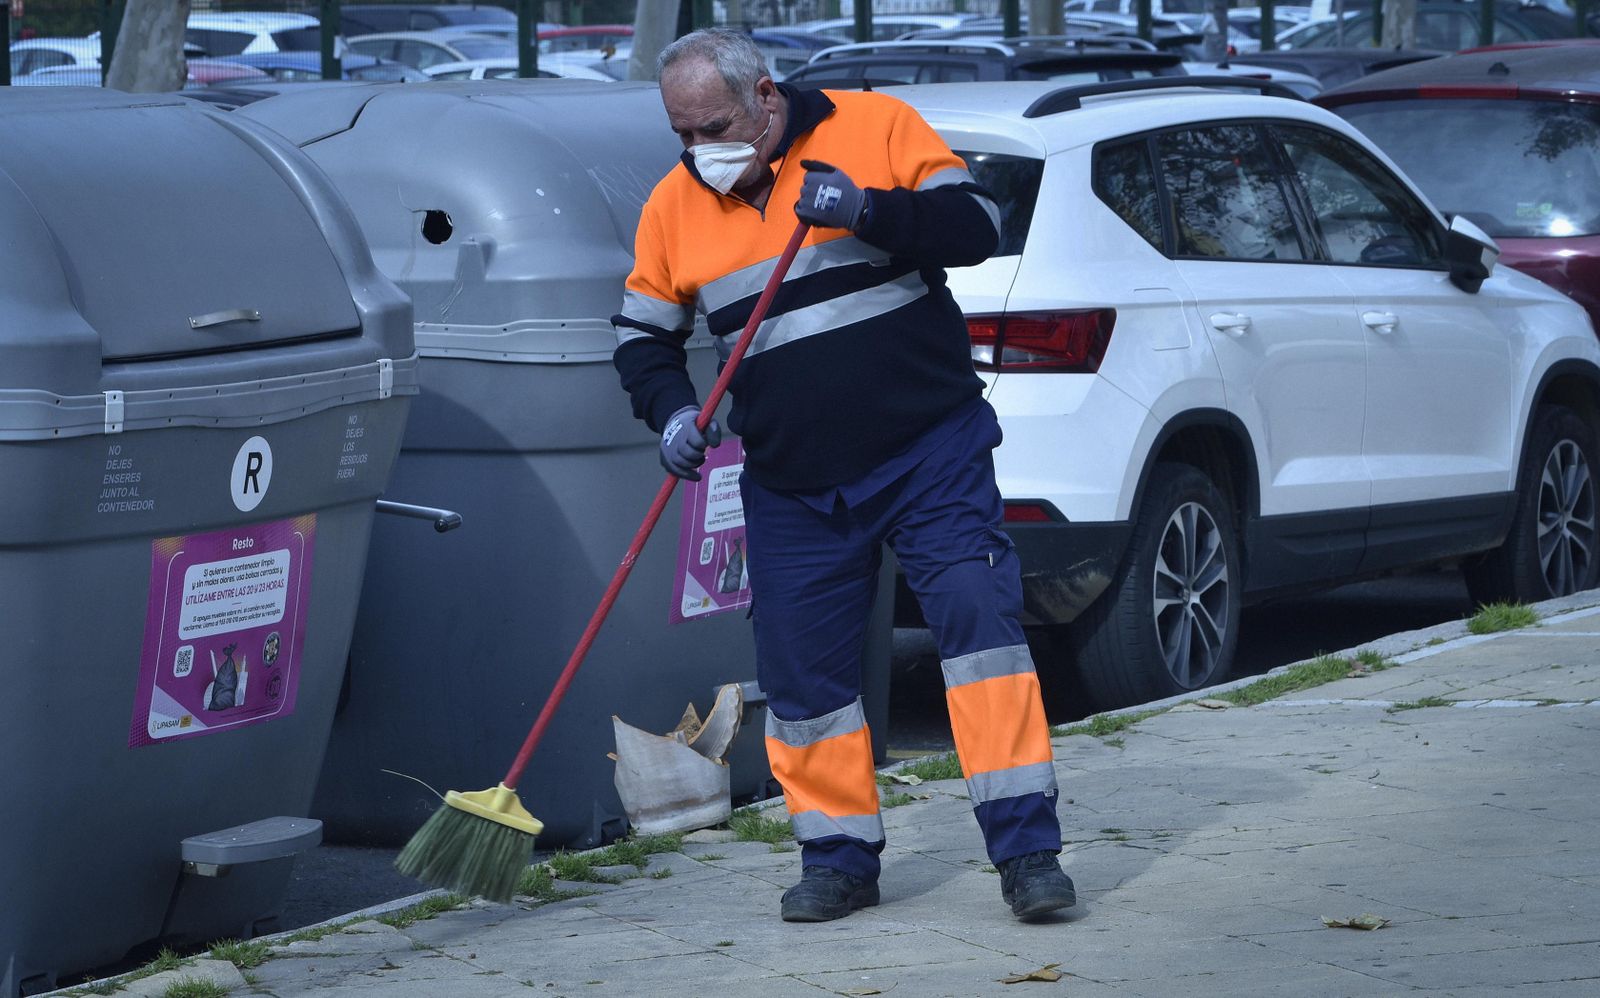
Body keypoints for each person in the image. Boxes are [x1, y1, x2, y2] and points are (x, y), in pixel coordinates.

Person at [612, 28, 1074, 923]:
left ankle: (1028, 853)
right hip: (793, 482)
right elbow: (642, 337)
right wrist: (669, 411)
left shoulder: (876, 126)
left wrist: (868, 209)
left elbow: (977, 228)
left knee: (979, 636)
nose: (698, 151)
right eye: (681, 134)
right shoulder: (673, 206)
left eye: (713, 128)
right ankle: (837, 859)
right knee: (803, 678)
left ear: (765, 97)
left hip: (928, 451)